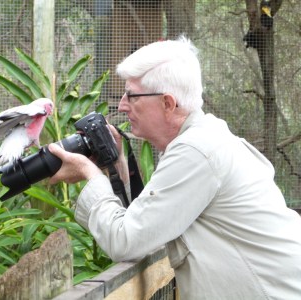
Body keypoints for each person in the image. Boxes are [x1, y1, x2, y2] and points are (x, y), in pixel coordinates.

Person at [48, 36, 301, 299]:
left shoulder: (196, 151)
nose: (122, 105)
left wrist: (89, 174)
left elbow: (125, 241)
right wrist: (119, 168)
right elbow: (151, 222)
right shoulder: (206, 137)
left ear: (168, 103)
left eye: (131, 95)